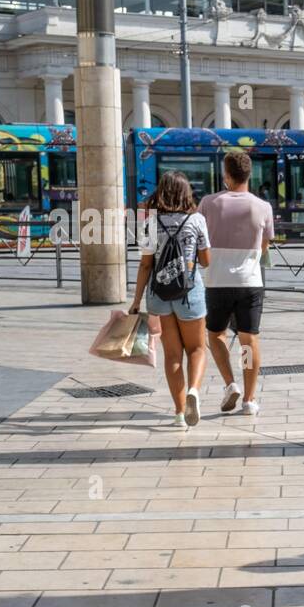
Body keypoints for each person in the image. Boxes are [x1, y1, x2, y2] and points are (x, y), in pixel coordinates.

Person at [129, 171, 211, 430]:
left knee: (172, 355)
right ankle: (194, 392)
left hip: (158, 296)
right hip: (190, 293)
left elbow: (145, 266)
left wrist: (136, 301)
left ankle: (178, 413)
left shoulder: (150, 224)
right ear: (186, 192)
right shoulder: (197, 220)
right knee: (197, 349)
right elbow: (206, 262)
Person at [198, 151, 274, 418]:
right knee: (247, 340)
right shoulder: (263, 207)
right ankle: (250, 400)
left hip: (216, 280)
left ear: (226, 175)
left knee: (216, 334)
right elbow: (265, 246)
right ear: (249, 174)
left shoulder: (208, 203)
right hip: (250, 281)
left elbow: (200, 240)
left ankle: (231, 383)